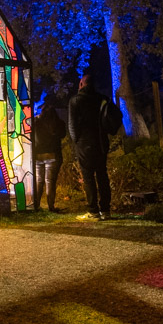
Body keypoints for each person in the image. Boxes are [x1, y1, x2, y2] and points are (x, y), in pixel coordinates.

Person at [68, 74, 112, 220]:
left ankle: (93, 211)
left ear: (81, 84)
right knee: (102, 175)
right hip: (101, 142)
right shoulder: (102, 99)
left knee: (88, 177)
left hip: (84, 143)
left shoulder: (75, 101)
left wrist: (76, 141)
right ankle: (106, 210)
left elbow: (72, 125)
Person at [31, 102, 65, 211]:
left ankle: (36, 205)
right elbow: (63, 135)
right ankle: (51, 206)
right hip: (53, 155)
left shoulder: (36, 122)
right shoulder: (58, 123)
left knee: (38, 181)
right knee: (50, 181)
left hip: (38, 156)